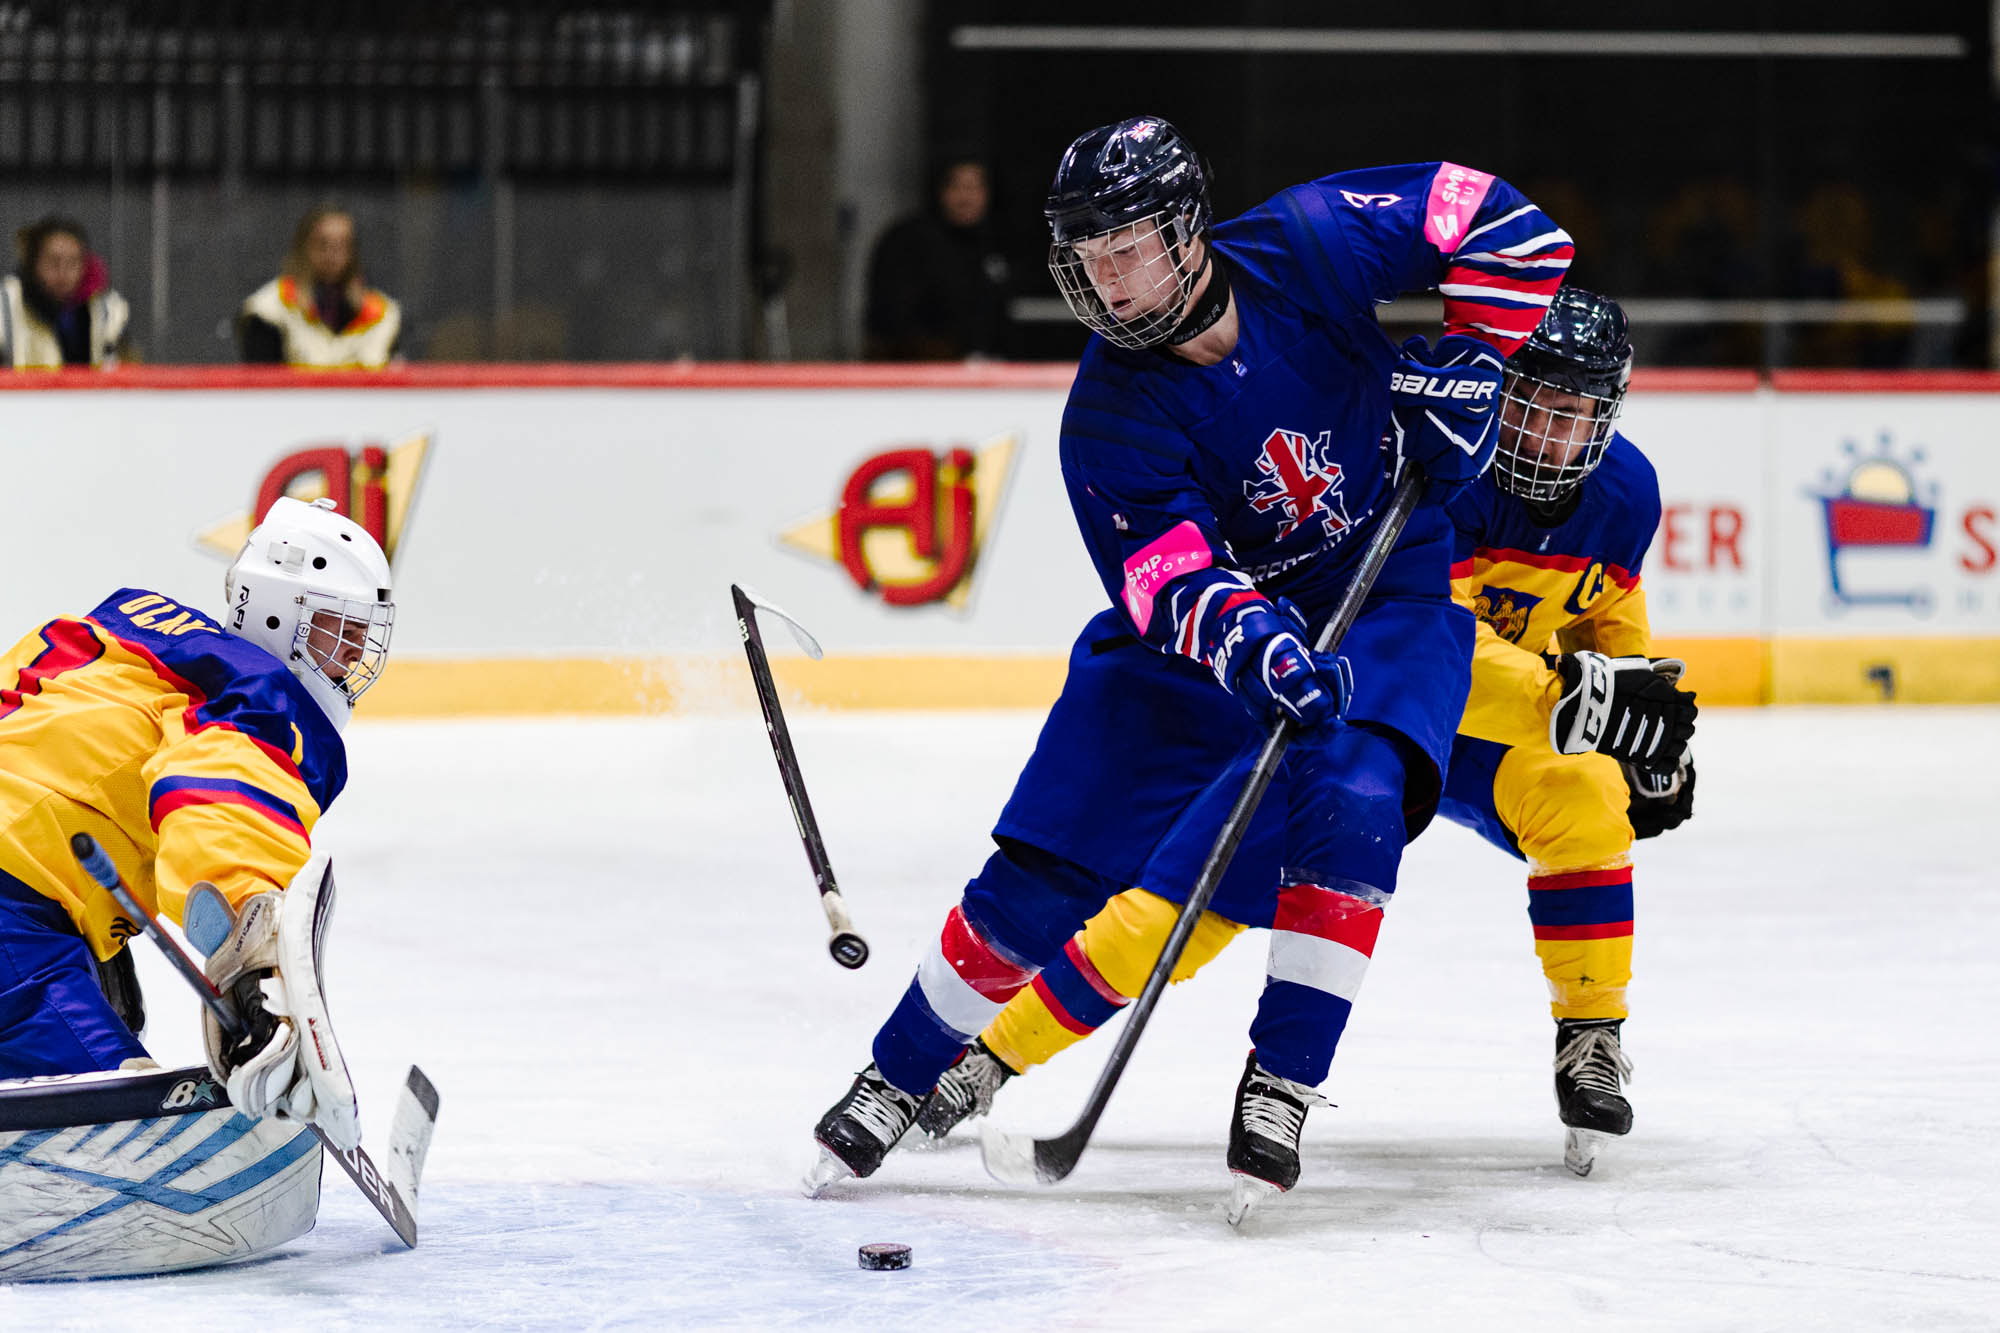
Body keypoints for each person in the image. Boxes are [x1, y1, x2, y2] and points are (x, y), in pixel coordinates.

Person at [806, 115, 1578, 1222]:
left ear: (1183, 230)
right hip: (1204, 643)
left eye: (1127, 249)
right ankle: (897, 1071)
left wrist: (1465, 359)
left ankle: (1281, 1083)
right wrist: (1253, 642)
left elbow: (1509, 228)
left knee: (1353, 798)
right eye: (1089, 260)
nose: (1110, 285)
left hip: (1384, 588)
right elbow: (1166, 579)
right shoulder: (1106, 417)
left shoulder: (1312, 243)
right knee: (1047, 869)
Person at [918, 289, 1699, 1181]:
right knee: (1172, 918)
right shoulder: (1438, 464)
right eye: (1534, 404)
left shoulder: (1627, 494)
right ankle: (988, 1057)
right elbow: (1419, 638)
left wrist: (1645, 728)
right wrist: (1571, 698)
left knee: (1590, 797)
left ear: (1609, 415)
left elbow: (1610, 627)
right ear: (1499, 387)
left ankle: (1591, 1036)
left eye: (1576, 415)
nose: (1550, 437)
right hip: (1370, 720)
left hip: (1490, 744)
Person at [0, 496, 391, 1112]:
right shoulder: (259, 694)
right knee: (121, 1116)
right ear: (275, 616)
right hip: (11, 925)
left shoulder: (119, 639)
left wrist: (95, 938)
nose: (350, 657)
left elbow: (48, 767)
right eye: (337, 631)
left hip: (27, 908)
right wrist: (252, 952)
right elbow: (214, 795)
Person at [862, 156, 1014, 360]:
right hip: (919, 372)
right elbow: (890, 319)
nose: (966, 197)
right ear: (940, 191)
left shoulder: (998, 243)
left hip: (988, 372)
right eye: (957, 186)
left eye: (975, 187)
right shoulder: (907, 240)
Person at [239, 206, 403, 367]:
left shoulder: (382, 315)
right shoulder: (271, 309)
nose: (332, 255)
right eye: (322, 244)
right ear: (302, 248)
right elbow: (261, 382)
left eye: (341, 246)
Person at [0, 216, 130, 368]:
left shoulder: (104, 312)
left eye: (73, 262)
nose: (63, 272)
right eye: (53, 261)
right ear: (33, 263)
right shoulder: (6, 305)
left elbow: (121, 369)